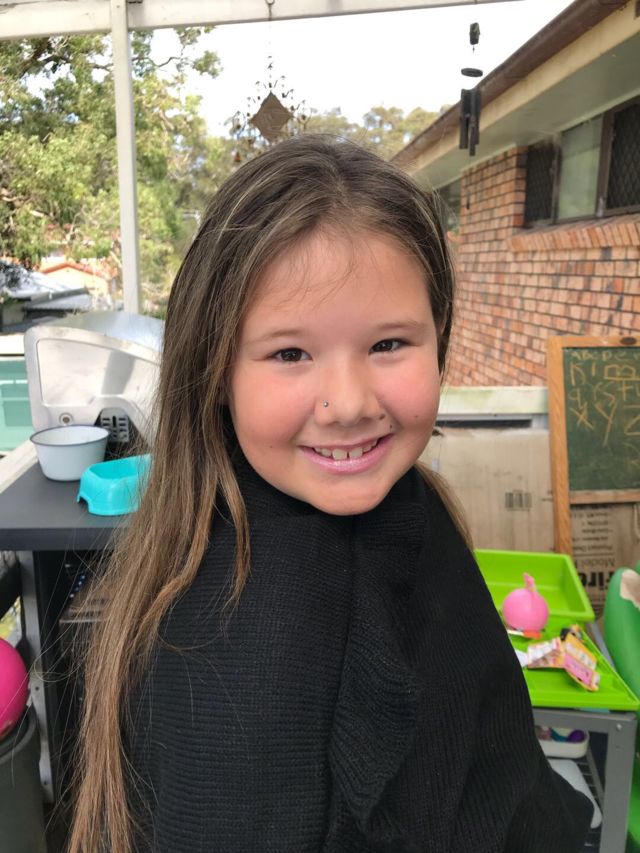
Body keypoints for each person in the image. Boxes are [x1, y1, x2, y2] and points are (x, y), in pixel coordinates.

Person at [69, 135, 592, 853]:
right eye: (290, 353)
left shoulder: (415, 507)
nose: (348, 404)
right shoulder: (231, 653)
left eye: (388, 345)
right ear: (214, 369)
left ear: (440, 336)